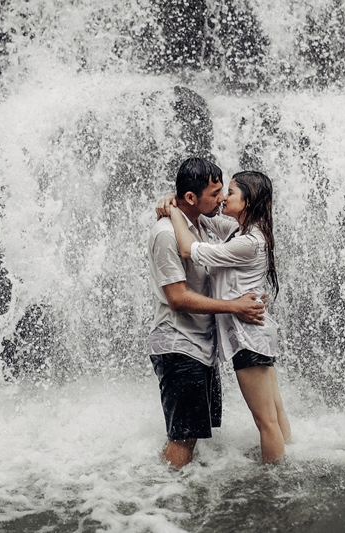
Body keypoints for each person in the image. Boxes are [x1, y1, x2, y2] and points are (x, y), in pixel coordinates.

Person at [161, 170, 292, 463]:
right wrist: (177, 201)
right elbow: (200, 216)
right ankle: (287, 462)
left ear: (248, 200)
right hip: (257, 333)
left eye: (230, 192)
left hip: (249, 338)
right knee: (276, 411)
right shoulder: (239, 231)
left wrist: (172, 211)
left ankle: (276, 482)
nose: (223, 198)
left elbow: (187, 248)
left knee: (265, 421)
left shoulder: (248, 242)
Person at [146, 157, 266, 469]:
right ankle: (161, 498)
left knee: (191, 434)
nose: (222, 198)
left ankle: (174, 497)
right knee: (183, 437)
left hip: (200, 347)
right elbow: (178, 298)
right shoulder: (166, 233)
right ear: (190, 197)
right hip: (179, 344)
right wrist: (235, 306)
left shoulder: (198, 223)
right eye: (215, 193)